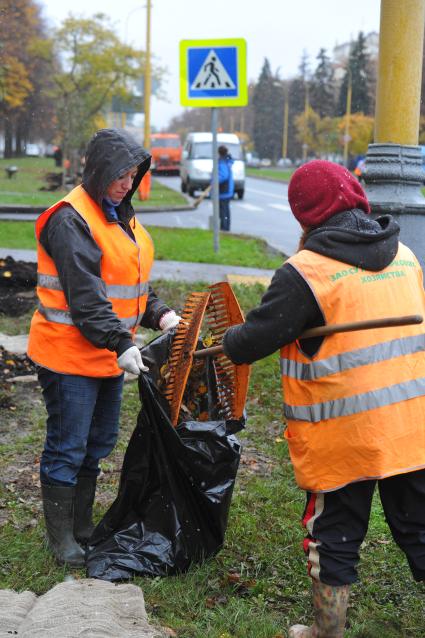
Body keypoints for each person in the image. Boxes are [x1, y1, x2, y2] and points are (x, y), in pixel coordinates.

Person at [222, 160, 425, 637]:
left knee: (333, 536)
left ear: (305, 214)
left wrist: (230, 342)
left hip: (344, 438)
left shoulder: (306, 272)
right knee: (421, 528)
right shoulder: (406, 257)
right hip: (410, 431)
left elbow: (255, 341)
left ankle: (325, 632)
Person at [27, 128, 181, 568]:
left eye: (133, 175)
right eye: (119, 175)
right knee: (68, 446)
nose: (126, 183)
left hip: (108, 355)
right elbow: (86, 296)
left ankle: (81, 527)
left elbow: (128, 283)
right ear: (98, 172)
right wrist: (120, 341)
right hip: (69, 355)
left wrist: (160, 313)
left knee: (98, 443)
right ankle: (62, 540)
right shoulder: (70, 219)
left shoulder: (120, 214)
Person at [216, 144, 234, 231]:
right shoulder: (227, 161)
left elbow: (224, 176)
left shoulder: (222, 162)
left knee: (223, 212)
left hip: (223, 190)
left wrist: (215, 181)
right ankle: (226, 227)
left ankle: (224, 229)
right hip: (227, 189)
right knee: (225, 211)